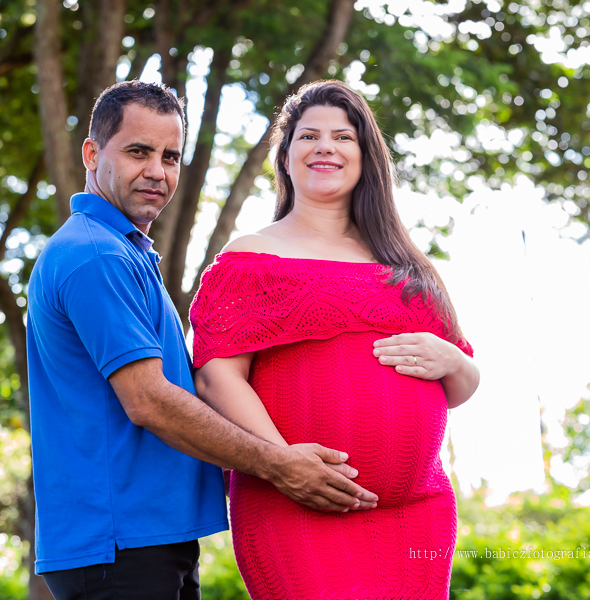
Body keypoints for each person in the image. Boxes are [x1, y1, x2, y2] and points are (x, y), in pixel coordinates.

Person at [25, 80, 378, 600]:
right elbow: (149, 400)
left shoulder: (122, 252)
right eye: (138, 152)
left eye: (171, 157)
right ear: (92, 153)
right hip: (118, 545)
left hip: (147, 540)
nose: (157, 171)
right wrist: (280, 466)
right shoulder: (94, 255)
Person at [189, 80, 480, 599]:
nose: (325, 146)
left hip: (417, 511)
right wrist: (286, 466)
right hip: (293, 503)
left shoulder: (406, 267)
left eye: (343, 137)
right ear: (285, 157)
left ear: (367, 157)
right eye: (308, 136)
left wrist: (453, 360)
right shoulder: (251, 257)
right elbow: (215, 378)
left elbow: (460, 386)